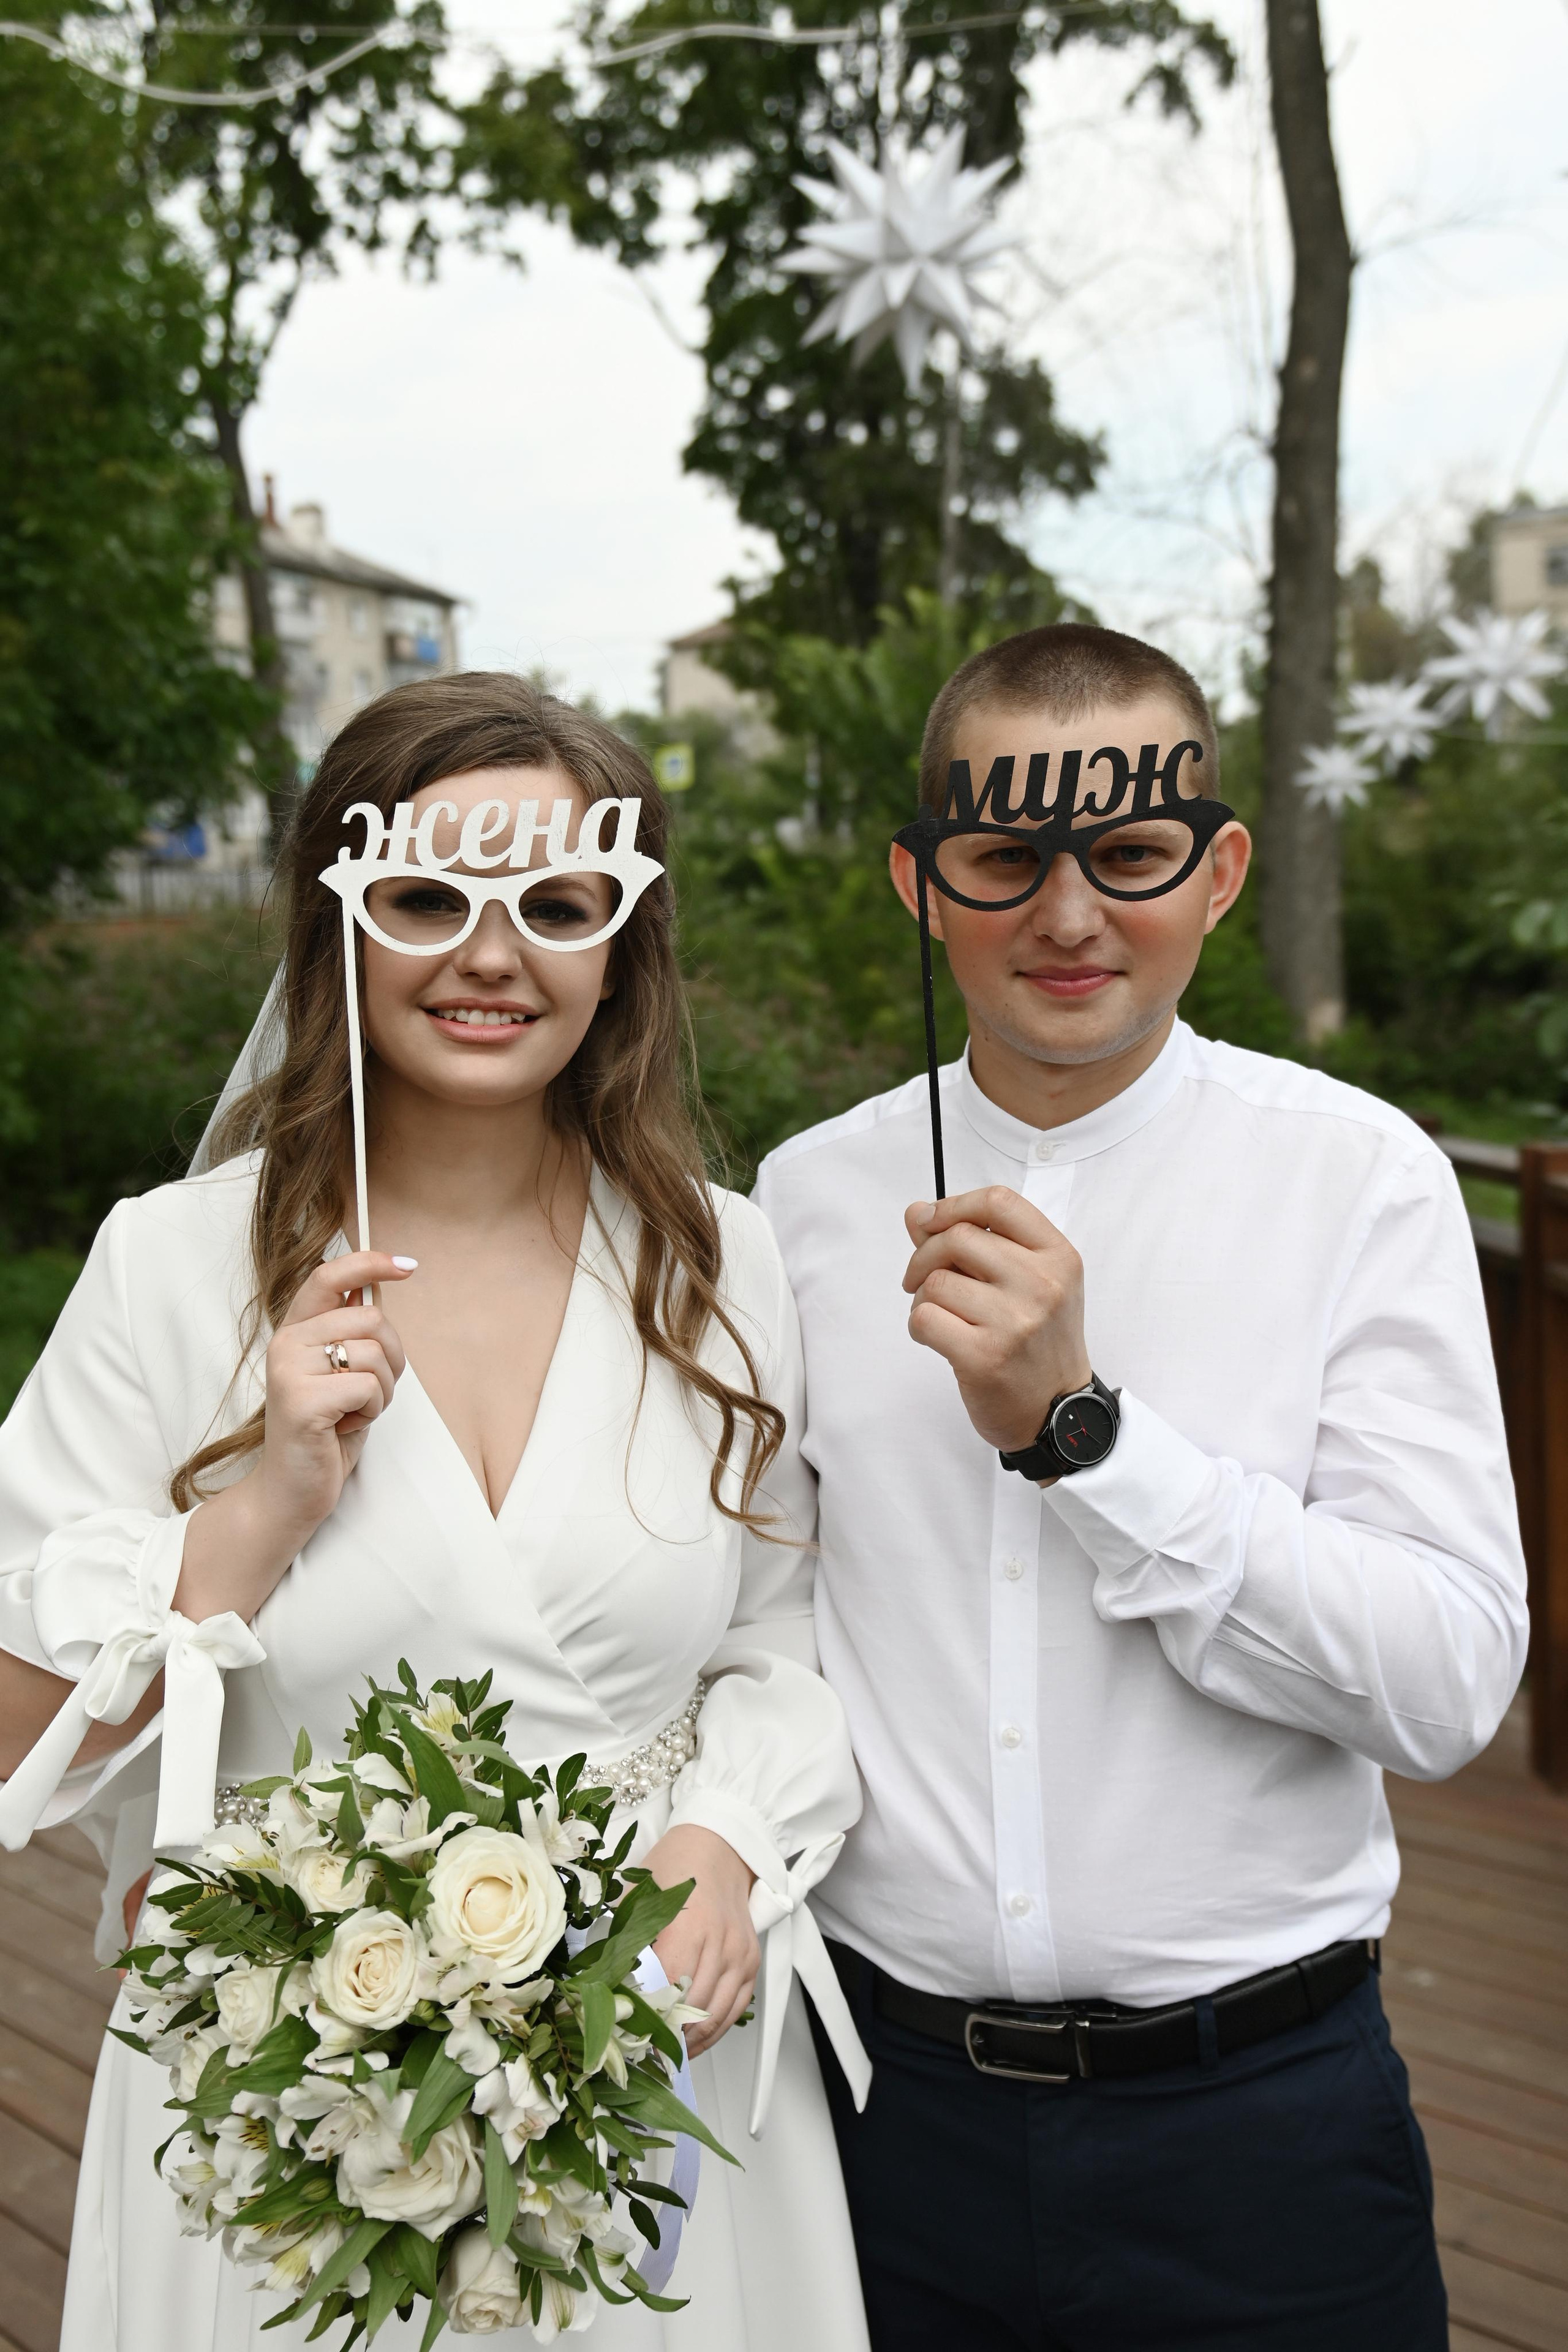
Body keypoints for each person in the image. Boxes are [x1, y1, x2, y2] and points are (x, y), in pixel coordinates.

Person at [0, 673, 870, 2351]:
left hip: (658, 2083)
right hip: (286, 2118)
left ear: (624, 938)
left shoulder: (724, 1260)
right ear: (335, 917)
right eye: (424, 900)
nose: (493, 955)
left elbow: (793, 1631)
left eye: (556, 903)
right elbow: (14, 1732)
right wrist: (259, 1509)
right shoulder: (170, 1267)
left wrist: (725, 1841)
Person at [753, 622, 1528, 2351]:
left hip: (1262, 2134)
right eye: (1005, 858)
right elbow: (757, 1625)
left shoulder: (1360, 1184)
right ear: (919, 884)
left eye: (1128, 853)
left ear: (1220, 868)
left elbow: (1451, 1683)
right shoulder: (803, 1203)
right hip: (880, 2112)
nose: (1070, 913)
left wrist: (1086, 1437)